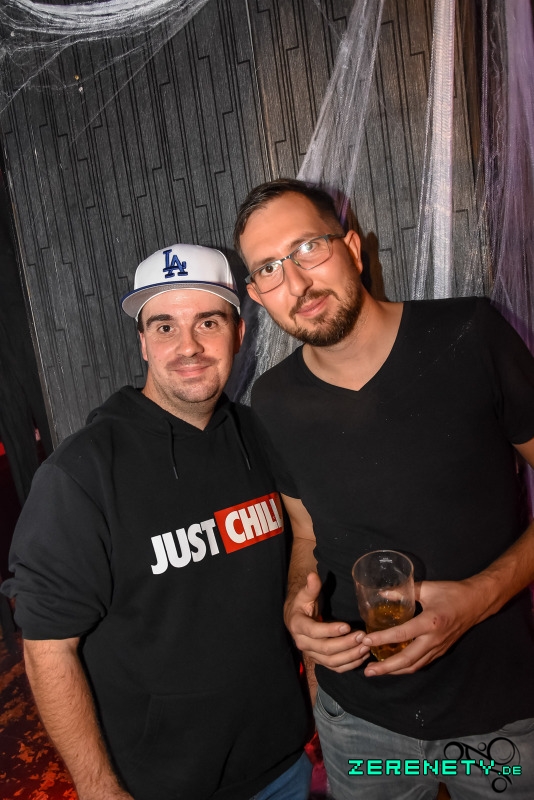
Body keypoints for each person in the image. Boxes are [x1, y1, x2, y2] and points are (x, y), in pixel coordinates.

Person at [233, 178, 534, 799]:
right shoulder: (273, 400)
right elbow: (307, 533)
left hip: (499, 720)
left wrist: (479, 598)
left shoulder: (470, 333)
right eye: (268, 268)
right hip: (362, 729)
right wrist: (296, 607)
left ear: (352, 247)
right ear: (257, 295)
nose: (296, 282)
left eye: (308, 248)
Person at [2, 243, 312, 800]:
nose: (188, 346)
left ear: (239, 334)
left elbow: (305, 539)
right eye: (165, 327)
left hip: (282, 763)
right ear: (143, 343)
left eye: (208, 322)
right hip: (159, 785)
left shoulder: (260, 435)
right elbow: (48, 647)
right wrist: (98, 788)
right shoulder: (82, 474)